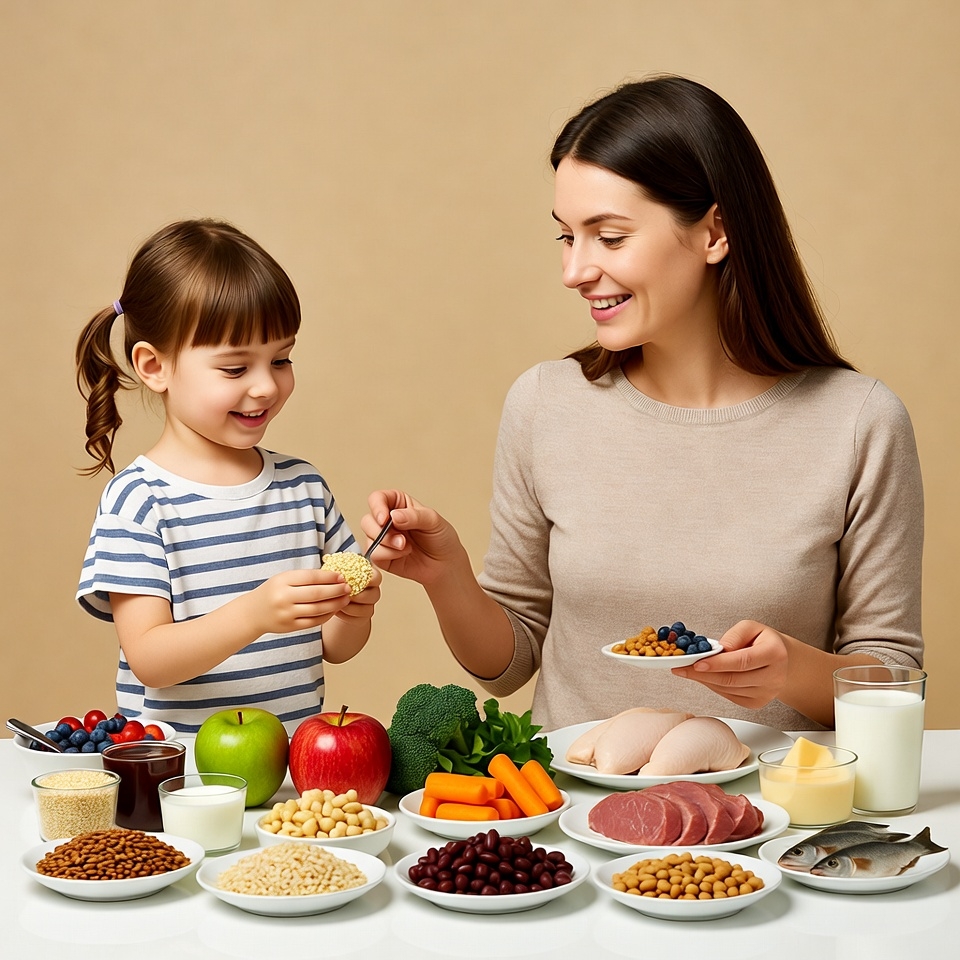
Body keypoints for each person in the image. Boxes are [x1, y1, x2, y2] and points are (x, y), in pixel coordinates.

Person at [363, 75, 923, 733]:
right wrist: (448, 574)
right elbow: (508, 664)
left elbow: (893, 682)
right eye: (566, 237)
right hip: (573, 794)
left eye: (609, 236)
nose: (574, 271)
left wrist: (789, 671)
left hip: (770, 799)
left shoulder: (859, 423)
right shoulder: (545, 404)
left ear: (715, 232)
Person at [75, 219, 381, 733]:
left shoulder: (304, 488)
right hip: (179, 771)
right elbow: (150, 659)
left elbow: (334, 647)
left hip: (291, 771)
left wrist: (354, 611)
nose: (266, 387)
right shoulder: (139, 500)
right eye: (236, 369)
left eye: (281, 359)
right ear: (154, 366)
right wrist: (255, 613)